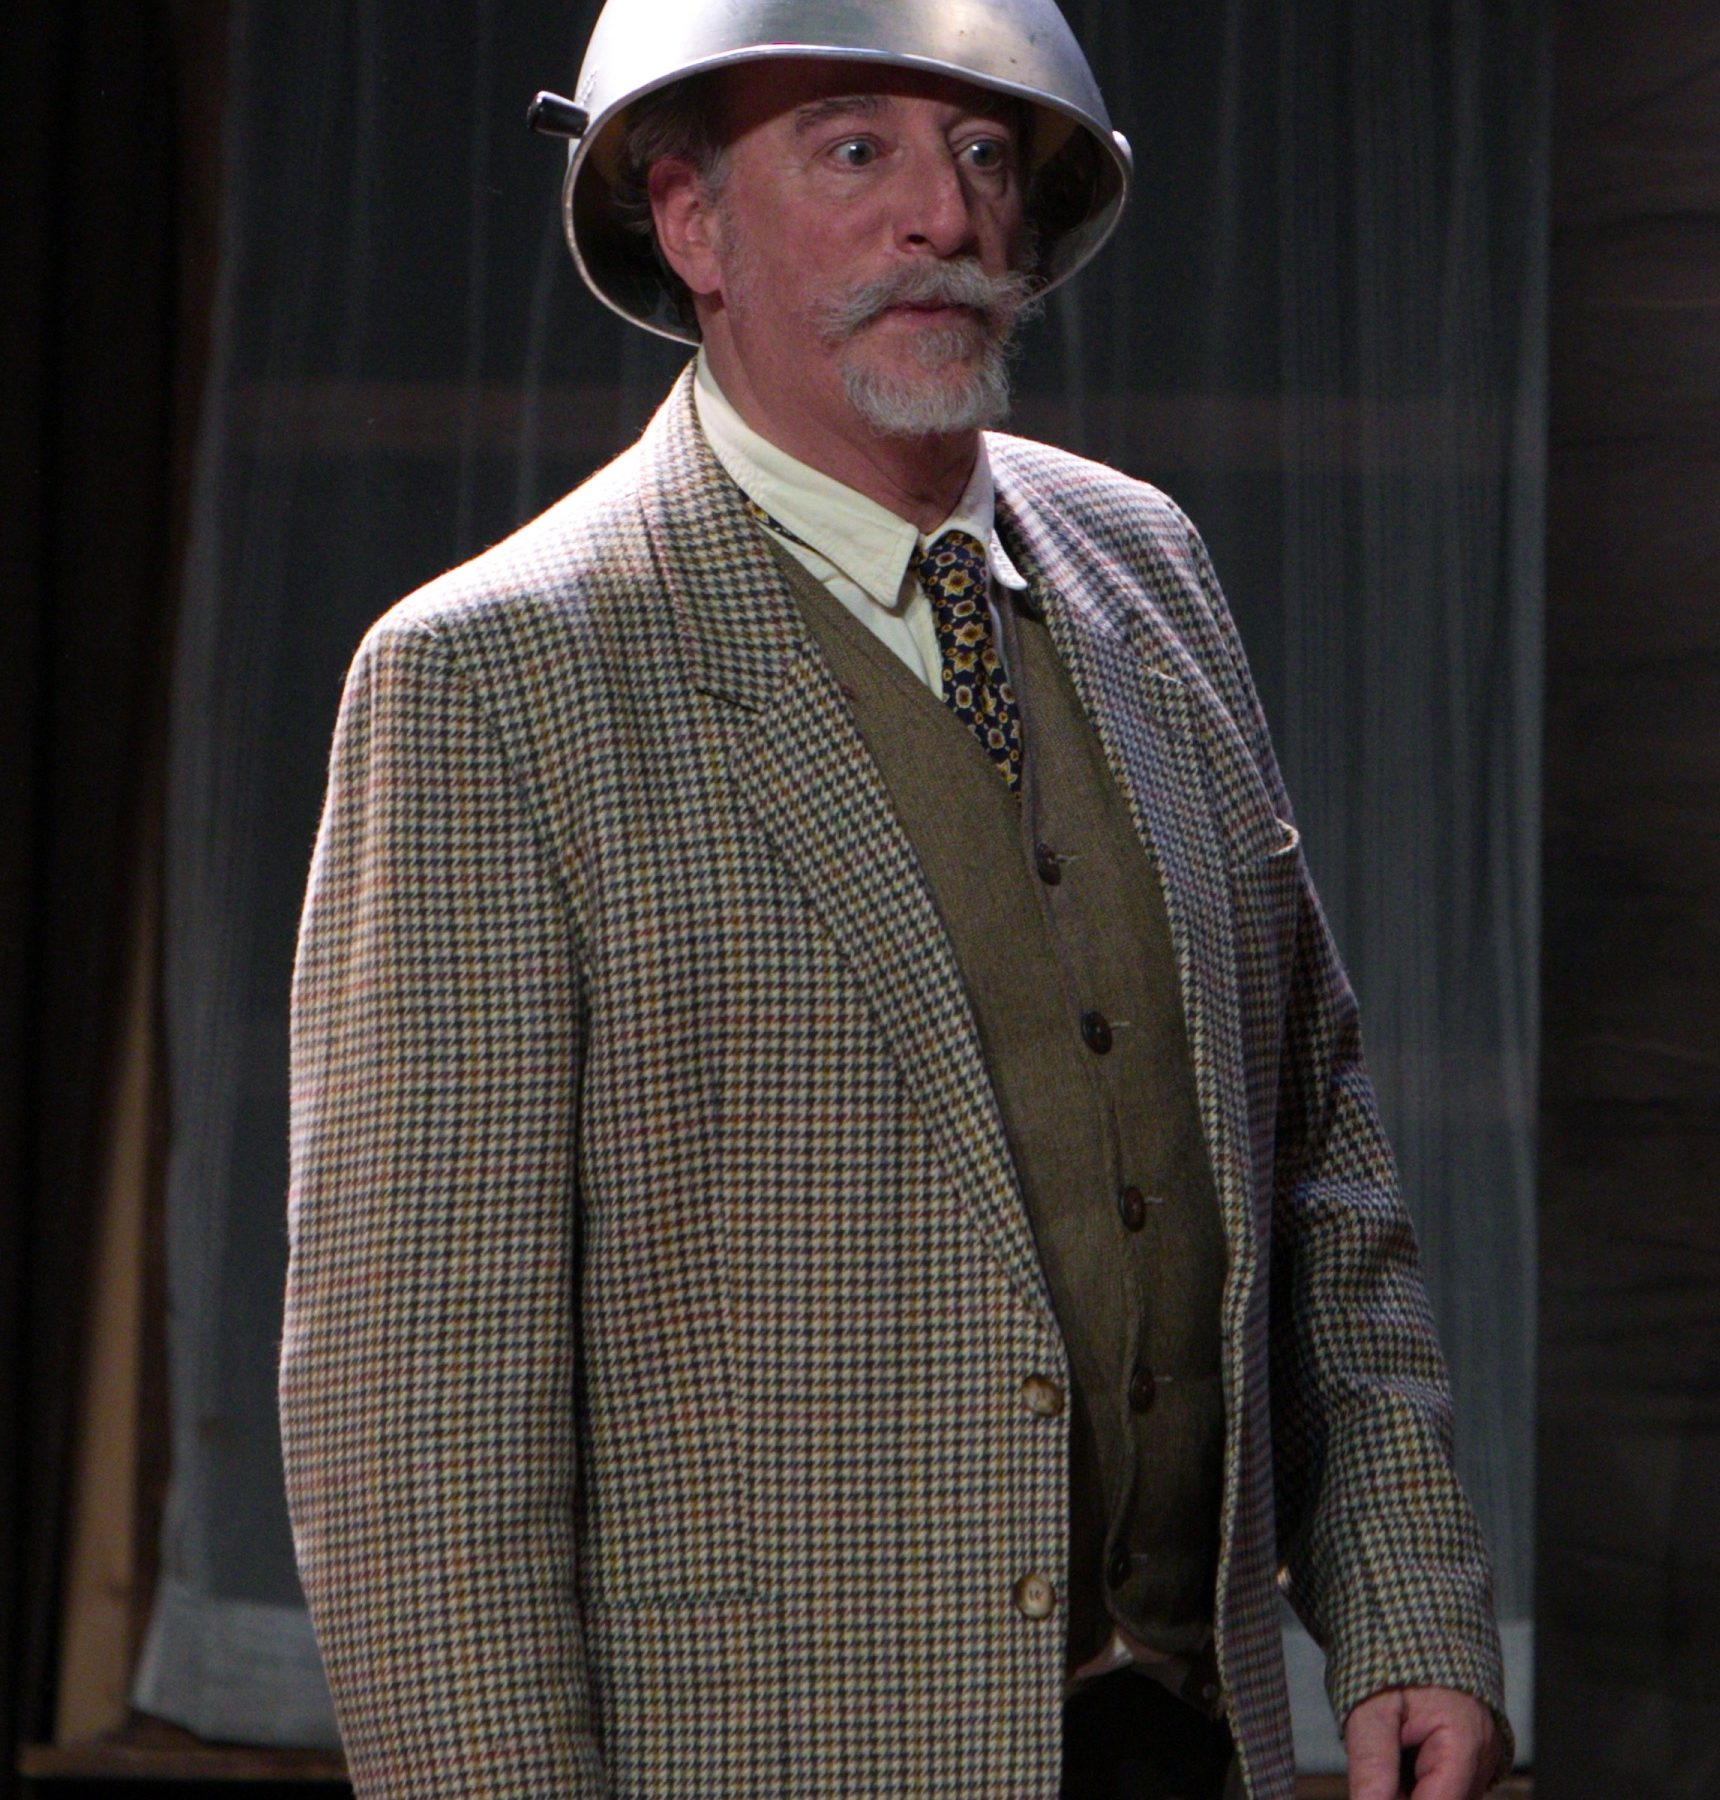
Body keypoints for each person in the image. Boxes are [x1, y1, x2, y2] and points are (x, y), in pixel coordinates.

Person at [280, 4, 1513, 1796]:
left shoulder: (1147, 566)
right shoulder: (493, 681)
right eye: (857, 149)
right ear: (691, 225)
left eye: (984, 151)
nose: (945, 213)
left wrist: (1408, 1611)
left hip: (1185, 1745)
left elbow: (1314, 1153)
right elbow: (415, 1425)